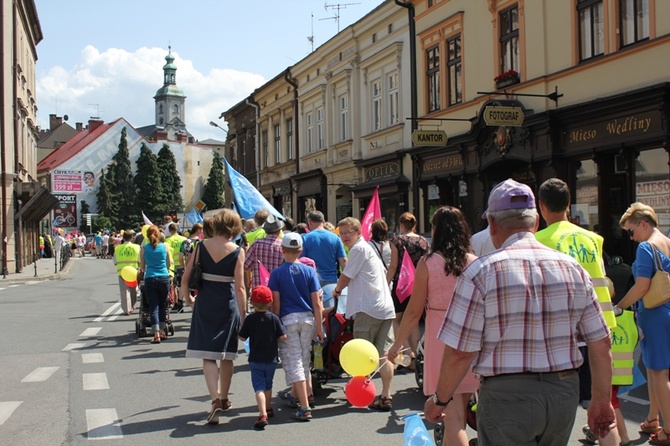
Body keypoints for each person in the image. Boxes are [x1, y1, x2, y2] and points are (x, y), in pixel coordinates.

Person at [423, 179, 615, 446]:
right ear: (536, 222)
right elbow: (600, 341)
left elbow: (460, 352)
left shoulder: (480, 272)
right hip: (562, 392)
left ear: (492, 223)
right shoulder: (572, 268)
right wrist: (601, 400)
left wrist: (439, 400)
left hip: (506, 396)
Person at [535, 178, 621, 446]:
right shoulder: (593, 238)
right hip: (598, 330)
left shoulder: (540, 240)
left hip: (562, 333)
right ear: (569, 205)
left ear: (541, 207)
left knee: (554, 412)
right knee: (601, 409)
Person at [388, 206, 478, 446]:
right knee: (460, 409)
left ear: (436, 231)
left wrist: (397, 345)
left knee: (454, 416)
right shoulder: (476, 262)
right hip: (472, 335)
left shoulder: (430, 263)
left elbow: (413, 312)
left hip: (442, 338)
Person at [182, 209, 246, 425]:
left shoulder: (200, 246)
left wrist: (188, 300)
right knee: (227, 354)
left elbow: (186, 278)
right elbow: (240, 288)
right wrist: (244, 316)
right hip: (227, 305)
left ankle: (214, 398)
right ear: (235, 227)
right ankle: (225, 398)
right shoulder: (237, 251)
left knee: (208, 355)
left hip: (205, 302)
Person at [616, 202, 670, 445]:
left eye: (631, 231)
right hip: (666, 310)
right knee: (654, 369)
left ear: (643, 224)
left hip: (654, 313)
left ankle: (668, 430)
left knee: (658, 373)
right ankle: (652, 419)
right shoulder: (666, 242)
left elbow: (642, 286)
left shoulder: (646, 247)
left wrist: (619, 306)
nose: (632, 237)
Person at [332, 217, 396, 411]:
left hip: (368, 308)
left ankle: (361, 393)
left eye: (348, 232)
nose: (344, 236)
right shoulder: (366, 248)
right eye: (341, 233)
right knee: (383, 356)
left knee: (362, 355)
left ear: (358, 232)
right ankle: (386, 395)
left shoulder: (359, 249)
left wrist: (336, 291)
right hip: (384, 307)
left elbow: (346, 276)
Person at [269, 232, 323, 422]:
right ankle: (303, 395)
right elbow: (317, 302)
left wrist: (274, 326)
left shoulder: (276, 274)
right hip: (308, 319)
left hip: (288, 320)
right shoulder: (309, 271)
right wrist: (320, 328)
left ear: (282, 250)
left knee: (294, 363)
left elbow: (275, 305)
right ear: (300, 250)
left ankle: (305, 407)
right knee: (304, 360)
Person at [239, 285, 287, 430]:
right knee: (268, 384)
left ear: (252, 303)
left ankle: (262, 413)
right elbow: (283, 337)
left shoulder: (250, 320)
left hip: (255, 359)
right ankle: (268, 407)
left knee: (258, 387)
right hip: (271, 359)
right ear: (270, 302)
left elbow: (242, 337)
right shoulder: (274, 318)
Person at [387, 212, 429, 364]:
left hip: (401, 285)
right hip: (419, 284)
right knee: (414, 319)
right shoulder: (423, 241)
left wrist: (386, 284)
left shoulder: (397, 240)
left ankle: (407, 351)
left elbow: (393, 266)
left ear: (401, 225)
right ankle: (417, 354)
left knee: (396, 319)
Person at [139, 225, 172, 344]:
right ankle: (163, 331)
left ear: (147, 236)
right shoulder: (164, 247)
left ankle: (156, 334)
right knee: (163, 304)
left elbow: (142, 267)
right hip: (164, 277)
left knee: (154, 307)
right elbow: (169, 264)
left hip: (150, 278)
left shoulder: (144, 248)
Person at [301, 210, 347, 290]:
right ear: (324, 221)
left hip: (311, 281)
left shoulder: (305, 238)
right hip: (331, 281)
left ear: (310, 222)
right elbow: (343, 261)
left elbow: (301, 261)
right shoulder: (336, 238)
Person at [244, 215, 285, 289]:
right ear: (279, 231)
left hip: (259, 291)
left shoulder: (256, 244)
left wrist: (249, 278)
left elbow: (246, 265)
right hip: (278, 290)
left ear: (265, 231)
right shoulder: (283, 247)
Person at [113, 231, 141, 316]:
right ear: (132, 237)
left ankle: (126, 309)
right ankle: (132, 305)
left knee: (124, 291)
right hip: (134, 272)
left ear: (123, 238)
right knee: (134, 290)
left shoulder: (118, 248)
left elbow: (115, 261)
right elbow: (140, 260)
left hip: (122, 272)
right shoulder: (137, 247)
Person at [164, 223, 187, 312]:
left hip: (171, 265)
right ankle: (181, 301)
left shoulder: (167, 241)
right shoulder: (184, 239)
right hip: (182, 263)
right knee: (181, 284)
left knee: (173, 285)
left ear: (169, 231)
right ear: (177, 229)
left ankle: (175, 302)